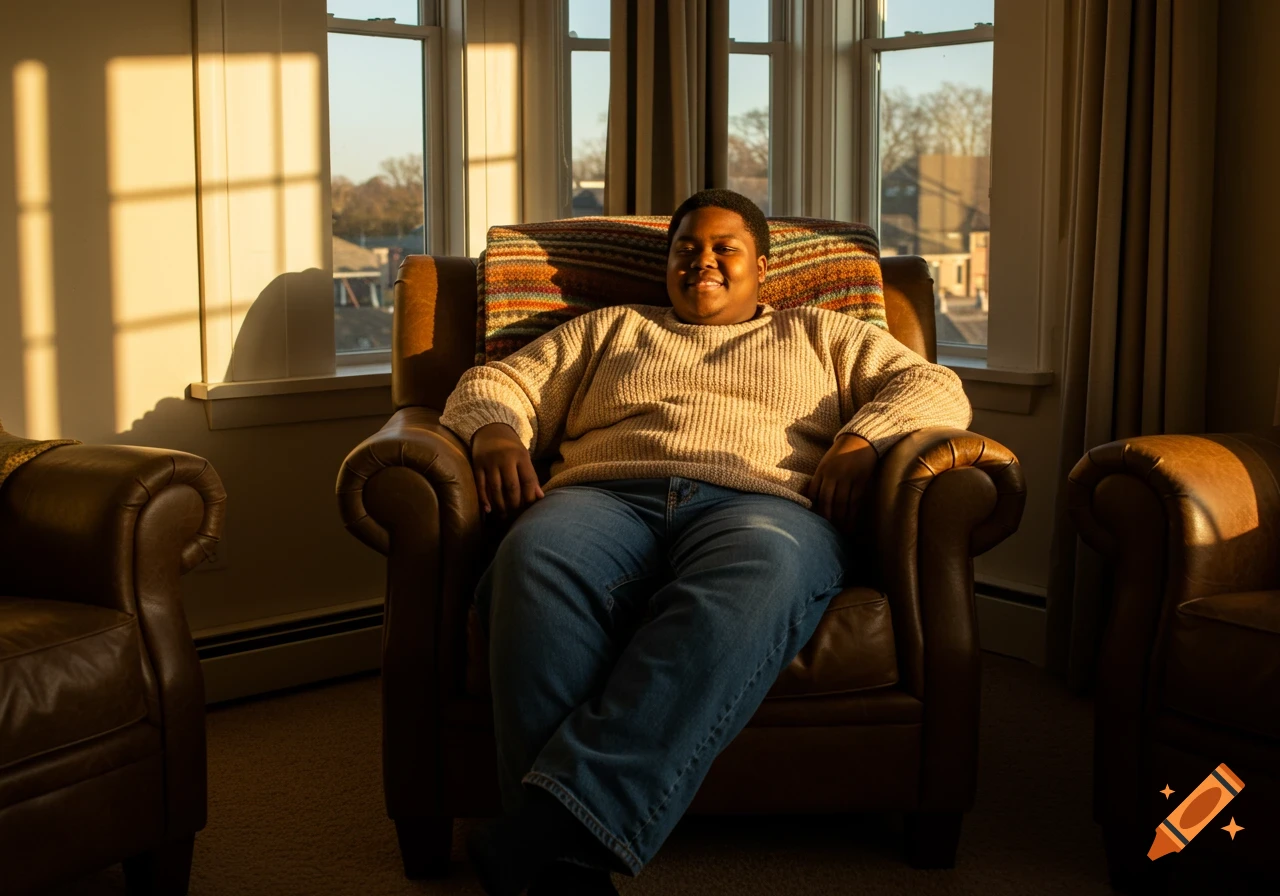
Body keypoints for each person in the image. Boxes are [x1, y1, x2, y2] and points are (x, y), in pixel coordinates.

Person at [439, 189, 972, 895]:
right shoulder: (610, 329)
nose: (703, 261)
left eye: (726, 248)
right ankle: (562, 867)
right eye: (687, 248)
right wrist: (498, 431)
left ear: (762, 267)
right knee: (533, 560)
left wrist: (861, 439)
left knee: (764, 571)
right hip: (603, 497)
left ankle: (548, 831)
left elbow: (933, 385)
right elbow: (496, 381)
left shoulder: (821, 333)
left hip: (761, 506)